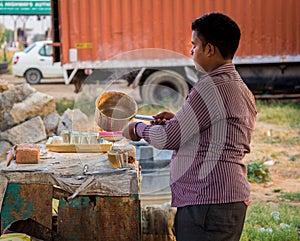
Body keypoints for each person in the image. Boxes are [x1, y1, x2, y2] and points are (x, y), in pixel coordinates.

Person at [123, 12, 257, 241]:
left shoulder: (210, 88)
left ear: (210, 49)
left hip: (208, 202)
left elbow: (169, 139)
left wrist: (136, 129)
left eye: (194, 45)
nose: (190, 51)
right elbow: (219, 130)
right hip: (224, 199)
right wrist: (178, 120)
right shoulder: (237, 85)